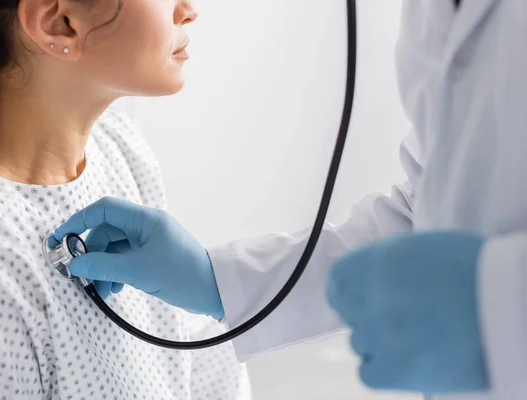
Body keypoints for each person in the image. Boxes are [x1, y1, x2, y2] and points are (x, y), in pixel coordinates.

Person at [52, 0, 527, 399]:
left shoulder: (121, 149)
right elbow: (437, 205)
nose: (190, 10)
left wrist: (503, 299)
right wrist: (217, 281)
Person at [0, 1, 251, 399]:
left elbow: (204, 369)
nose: (188, 9)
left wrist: (214, 289)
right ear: (58, 24)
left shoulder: (119, 147)